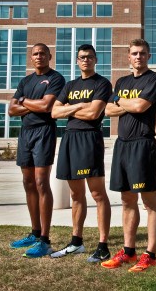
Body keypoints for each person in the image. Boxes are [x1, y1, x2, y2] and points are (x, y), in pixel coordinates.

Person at [103, 39, 156, 272]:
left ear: (148, 56)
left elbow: (141, 107)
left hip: (142, 144)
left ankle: (150, 254)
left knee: (150, 202)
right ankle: (128, 252)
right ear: (128, 57)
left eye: (142, 53)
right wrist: (125, 103)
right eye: (134, 53)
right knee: (127, 199)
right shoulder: (122, 81)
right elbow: (108, 110)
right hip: (122, 144)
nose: (138, 57)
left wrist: (119, 101)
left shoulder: (155, 79)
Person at [50, 44, 112, 262]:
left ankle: (103, 245)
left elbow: (95, 112)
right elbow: (55, 112)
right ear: (77, 61)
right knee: (76, 195)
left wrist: (71, 107)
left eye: (90, 57)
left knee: (97, 194)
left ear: (96, 60)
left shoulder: (102, 83)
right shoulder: (70, 85)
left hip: (89, 139)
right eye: (82, 57)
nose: (86, 60)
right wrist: (78, 106)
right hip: (69, 139)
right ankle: (76, 242)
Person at [8, 43, 65, 258]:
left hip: (44, 132)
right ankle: (34, 232)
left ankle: (45, 239)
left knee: (42, 182)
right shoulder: (26, 81)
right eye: (35, 54)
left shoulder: (56, 78)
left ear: (50, 55)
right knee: (28, 182)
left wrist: (23, 101)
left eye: (43, 53)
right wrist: (31, 103)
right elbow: (11, 110)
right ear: (31, 57)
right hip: (25, 133)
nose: (39, 56)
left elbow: (46, 107)